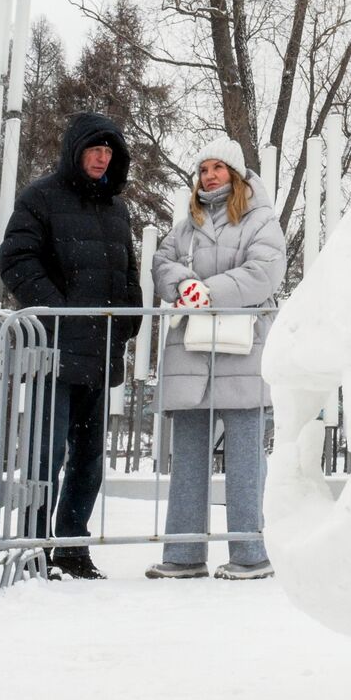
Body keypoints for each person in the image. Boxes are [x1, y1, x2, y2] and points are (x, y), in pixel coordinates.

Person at [0, 111, 143, 580]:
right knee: (45, 453)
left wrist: (128, 322)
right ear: (75, 150)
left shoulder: (117, 209)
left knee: (89, 458)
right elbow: (17, 260)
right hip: (54, 355)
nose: (102, 158)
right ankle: (34, 548)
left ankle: (72, 547)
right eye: (95, 149)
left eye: (109, 151)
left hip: (101, 356)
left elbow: (128, 275)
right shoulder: (40, 197)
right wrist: (57, 312)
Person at [146, 137, 285, 580]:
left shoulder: (261, 219)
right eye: (204, 169)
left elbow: (264, 272)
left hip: (241, 351)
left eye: (218, 168)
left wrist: (209, 292)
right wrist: (182, 283)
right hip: (193, 352)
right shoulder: (186, 223)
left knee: (246, 458)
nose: (209, 176)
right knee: (188, 456)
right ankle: (184, 554)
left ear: (236, 174)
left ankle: (250, 552)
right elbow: (162, 260)